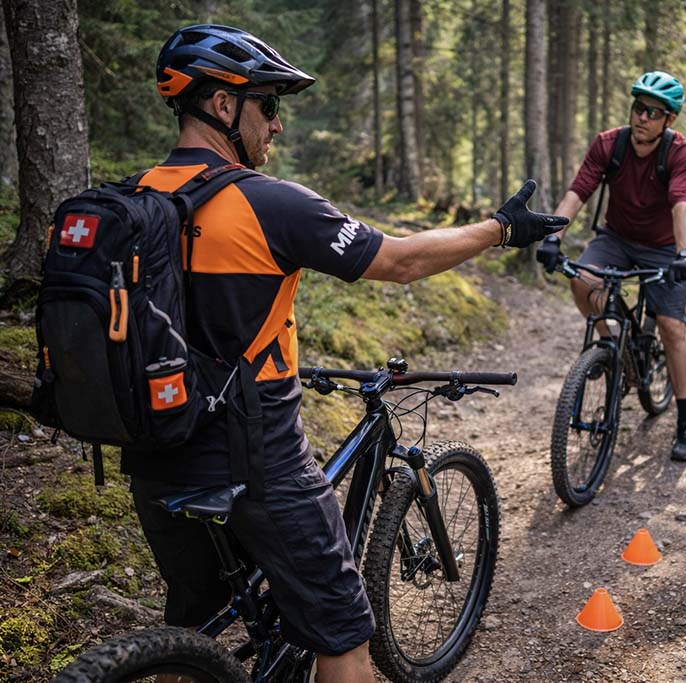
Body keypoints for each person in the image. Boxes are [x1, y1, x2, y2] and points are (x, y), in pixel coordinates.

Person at [128, 24, 567, 682]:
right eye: (268, 106)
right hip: (257, 462)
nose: (275, 126)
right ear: (223, 106)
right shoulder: (266, 203)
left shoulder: (136, 197)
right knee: (344, 638)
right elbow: (400, 260)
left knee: (192, 629)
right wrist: (500, 228)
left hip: (154, 452)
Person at [537, 70, 686, 461]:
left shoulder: (679, 151)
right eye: (638, 108)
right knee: (583, 280)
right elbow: (579, 190)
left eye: (653, 112)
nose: (642, 116)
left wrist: (685, 254)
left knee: (671, 327)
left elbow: (682, 203)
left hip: (663, 247)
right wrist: (552, 237)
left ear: (669, 120)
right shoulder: (610, 144)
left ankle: (685, 422)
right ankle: (611, 347)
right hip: (617, 238)